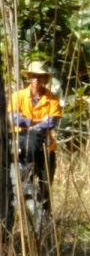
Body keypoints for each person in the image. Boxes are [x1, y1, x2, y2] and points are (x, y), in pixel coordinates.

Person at [9, 60, 62, 200]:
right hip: (22, 146)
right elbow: (14, 119)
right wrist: (37, 122)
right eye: (33, 76)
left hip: (46, 147)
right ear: (29, 77)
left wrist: (29, 123)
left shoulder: (53, 98)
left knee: (46, 186)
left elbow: (51, 123)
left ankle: (47, 215)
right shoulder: (17, 96)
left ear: (45, 78)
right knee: (24, 184)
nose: (36, 79)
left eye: (40, 76)